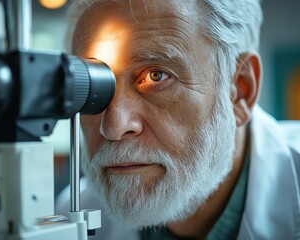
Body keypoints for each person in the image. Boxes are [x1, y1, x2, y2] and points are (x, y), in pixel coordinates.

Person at [56, 0, 300, 239]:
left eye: (156, 75)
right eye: (92, 85)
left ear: (239, 90)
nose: (114, 127)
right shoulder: (67, 215)